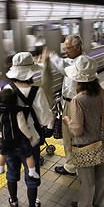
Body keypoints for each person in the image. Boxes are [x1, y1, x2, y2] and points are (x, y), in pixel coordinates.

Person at [0, 52, 53, 207]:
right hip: (30, 140)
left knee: (12, 172)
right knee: (31, 173)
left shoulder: (4, 89)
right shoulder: (36, 91)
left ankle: (13, 202)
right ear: (30, 71)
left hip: (9, 141)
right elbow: (44, 119)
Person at [61, 55, 104, 207]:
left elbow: (76, 130)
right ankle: (97, 203)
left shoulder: (78, 100)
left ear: (79, 80)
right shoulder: (102, 92)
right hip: (103, 140)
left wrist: (67, 121)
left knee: (87, 179)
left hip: (85, 146)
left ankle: (85, 206)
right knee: (102, 175)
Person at [41, 35, 85, 176]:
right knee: (68, 136)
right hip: (67, 102)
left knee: (72, 136)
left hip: (75, 103)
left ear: (77, 47)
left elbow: (65, 67)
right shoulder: (73, 60)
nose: (65, 51)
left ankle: (72, 166)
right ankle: (72, 163)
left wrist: (52, 54)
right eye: (64, 48)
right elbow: (63, 63)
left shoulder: (82, 62)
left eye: (68, 48)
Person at [0, 88, 39, 179]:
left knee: (3, 154)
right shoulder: (18, 112)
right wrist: (29, 135)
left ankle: (0, 169)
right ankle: (32, 172)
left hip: (5, 139)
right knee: (28, 155)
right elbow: (22, 126)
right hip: (19, 140)